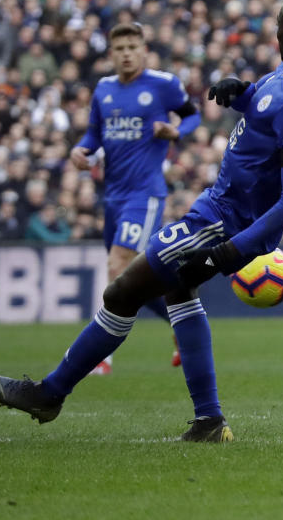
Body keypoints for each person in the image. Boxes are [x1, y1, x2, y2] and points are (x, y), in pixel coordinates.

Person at [0, 0, 283, 442]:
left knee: (122, 292)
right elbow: (265, 113)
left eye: (278, 25)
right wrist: (243, 95)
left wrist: (226, 253)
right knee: (177, 294)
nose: (273, 32)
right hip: (218, 206)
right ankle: (208, 421)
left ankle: (49, 394)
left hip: (224, 221)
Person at [69, 22, 201, 375]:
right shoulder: (104, 89)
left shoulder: (163, 84)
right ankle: (181, 325)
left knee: (117, 265)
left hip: (146, 194)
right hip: (112, 196)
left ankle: (100, 355)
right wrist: (82, 150)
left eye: (132, 47)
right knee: (129, 278)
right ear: (111, 54)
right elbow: (95, 133)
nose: (126, 53)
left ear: (144, 50)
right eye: (120, 48)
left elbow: (192, 115)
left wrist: (176, 131)